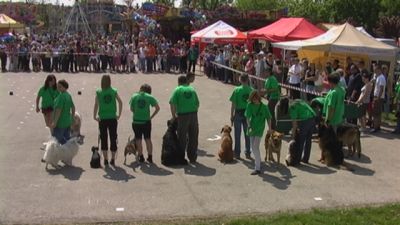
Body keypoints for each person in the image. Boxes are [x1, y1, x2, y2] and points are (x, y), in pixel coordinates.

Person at [93, 75, 123, 166]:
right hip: (112, 117)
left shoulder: (99, 91)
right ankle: (113, 158)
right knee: (113, 137)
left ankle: (105, 159)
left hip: (102, 118)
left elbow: (96, 104)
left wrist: (94, 116)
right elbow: (120, 102)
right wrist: (119, 114)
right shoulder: (113, 91)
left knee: (104, 138)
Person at [169, 75, 200, 164]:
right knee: (193, 136)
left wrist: (174, 116)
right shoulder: (192, 89)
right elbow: (198, 103)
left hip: (182, 116)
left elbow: (172, 103)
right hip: (194, 115)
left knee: (182, 137)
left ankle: (181, 157)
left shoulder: (177, 90)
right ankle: (193, 157)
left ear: (178, 82)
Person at [129, 84, 160, 163]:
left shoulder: (134, 96)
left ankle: (141, 156)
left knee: (138, 139)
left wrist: (137, 112)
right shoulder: (149, 97)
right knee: (148, 139)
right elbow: (157, 108)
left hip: (136, 121)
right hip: (146, 121)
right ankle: (150, 157)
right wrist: (151, 116)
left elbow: (131, 109)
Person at [245, 91, 272, 175]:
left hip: (260, 129)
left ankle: (258, 168)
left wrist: (270, 128)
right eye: (253, 99)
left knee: (255, 147)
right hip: (252, 128)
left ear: (259, 98)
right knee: (253, 147)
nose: (254, 101)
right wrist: (249, 126)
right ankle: (258, 162)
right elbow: (247, 117)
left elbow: (269, 118)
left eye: (256, 99)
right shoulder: (249, 105)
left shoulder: (264, 107)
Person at [229, 74, 253, 159]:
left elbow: (233, 104)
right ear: (247, 80)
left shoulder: (236, 90)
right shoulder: (251, 90)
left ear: (240, 80)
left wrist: (231, 116)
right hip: (248, 114)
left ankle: (237, 153)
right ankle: (248, 152)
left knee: (237, 134)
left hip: (238, 113)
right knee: (248, 134)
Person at [288, 99, 316, 165]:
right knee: (308, 140)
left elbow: (294, 125)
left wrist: (293, 136)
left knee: (301, 141)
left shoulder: (292, 107)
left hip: (305, 120)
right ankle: (305, 159)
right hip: (312, 118)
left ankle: (297, 160)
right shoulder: (298, 101)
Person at [50, 80, 75, 145]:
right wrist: (72, 118)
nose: (58, 88)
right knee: (67, 140)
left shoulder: (61, 97)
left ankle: (60, 153)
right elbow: (73, 107)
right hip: (67, 121)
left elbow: (59, 110)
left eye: (60, 87)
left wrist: (54, 122)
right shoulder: (68, 95)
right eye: (58, 86)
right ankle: (67, 153)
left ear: (65, 87)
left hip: (60, 123)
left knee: (57, 141)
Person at [371, 65, 386, 133]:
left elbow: (381, 89)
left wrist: (378, 98)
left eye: (375, 70)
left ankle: (375, 127)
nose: (374, 71)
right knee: (378, 113)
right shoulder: (378, 77)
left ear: (379, 70)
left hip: (378, 97)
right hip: (378, 97)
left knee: (375, 113)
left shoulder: (381, 78)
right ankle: (377, 126)